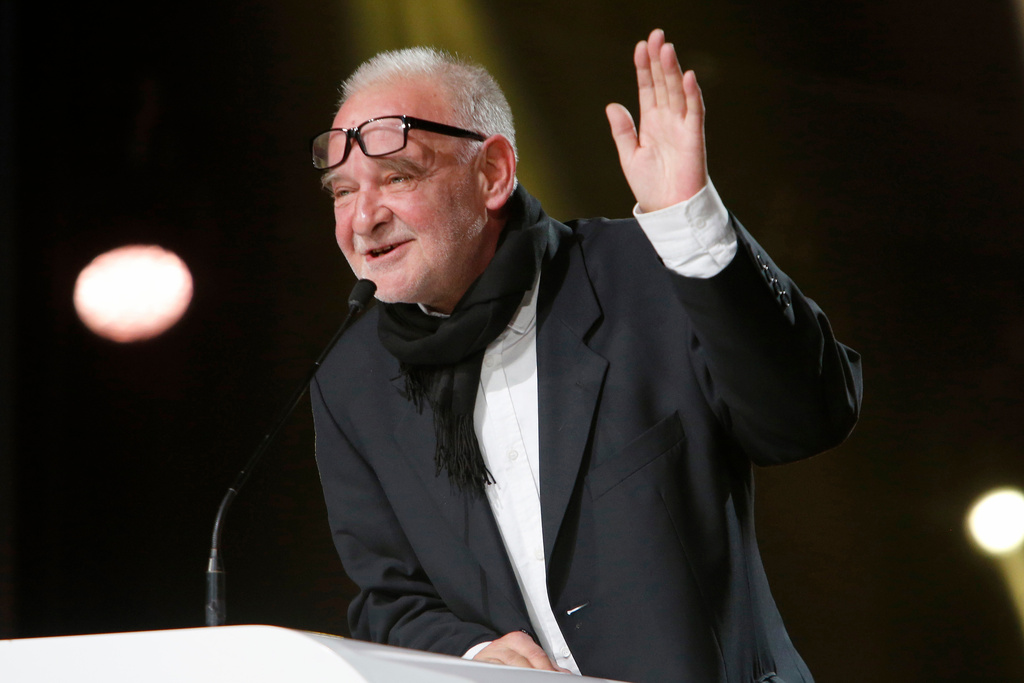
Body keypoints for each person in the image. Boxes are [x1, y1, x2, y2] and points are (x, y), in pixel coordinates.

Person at [310, 28, 862, 683]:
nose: (362, 217)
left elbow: (806, 417)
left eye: (396, 176)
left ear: (492, 174)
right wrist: (474, 655)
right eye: (343, 191)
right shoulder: (349, 382)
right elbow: (390, 597)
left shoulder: (650, 272)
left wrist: (691, 225)